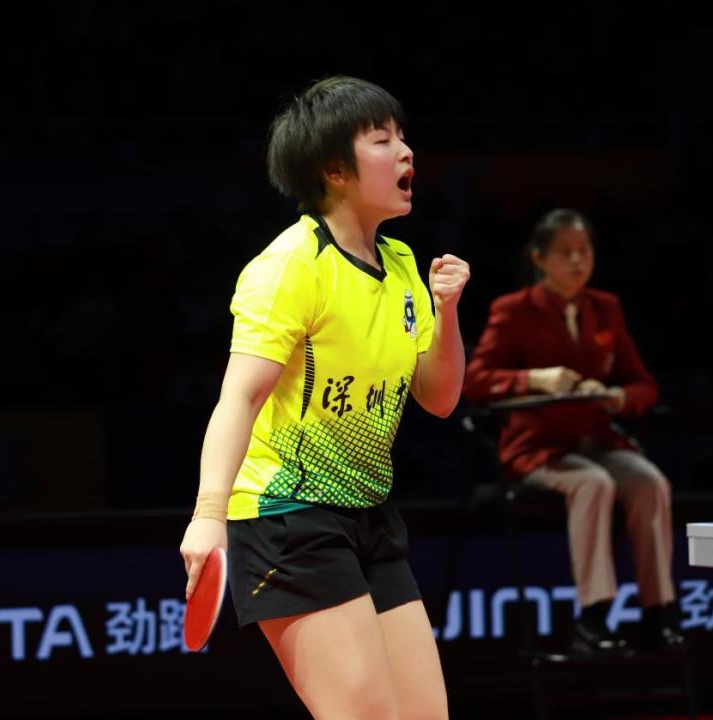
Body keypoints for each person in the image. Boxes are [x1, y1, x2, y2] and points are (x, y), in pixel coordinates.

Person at [178, 76, 470, 718]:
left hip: (370, 513)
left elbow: (440, 398)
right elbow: (238, 399)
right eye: (382, 140)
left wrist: (446, 310)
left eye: (403, 137)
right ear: (334, 169)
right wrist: (207, 514)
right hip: (288, 517)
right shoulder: (290, 267)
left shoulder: (401, 266)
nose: (406, 152)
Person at [462, 208, 683, 653]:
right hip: (538, 449)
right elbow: (475, 381)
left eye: (585, 251)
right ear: (539, 258)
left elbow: (643, 384)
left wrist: (618, 396)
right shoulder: (513, 310)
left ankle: (658, 612)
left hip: (596, 440)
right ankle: (593, 616)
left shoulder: (605, 308)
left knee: (650, 483)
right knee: (593, 483)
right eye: (566, 252)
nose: (578, 261)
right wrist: (535, 379)